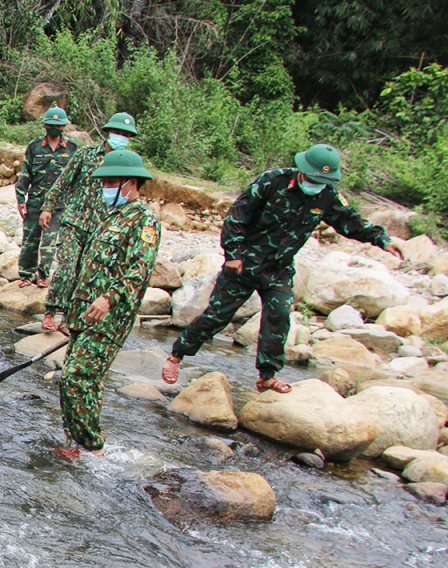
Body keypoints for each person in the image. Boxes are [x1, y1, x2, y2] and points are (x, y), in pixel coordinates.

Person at [162, 144, 403, 393]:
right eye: (313, 178)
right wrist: (233, 255)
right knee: (217, 317)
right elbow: (237, 217)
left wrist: (384, 240)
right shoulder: (272, 181)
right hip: (244, 264)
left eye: (322, 180)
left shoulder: (327, 195)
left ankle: (267, 376)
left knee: (279, 315)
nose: (316, 184)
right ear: (302, 170)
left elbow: (351, 222)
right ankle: (176, 355)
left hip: (279, 268)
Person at [58, 150, 161, 456]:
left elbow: (138, 270)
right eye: (104, 182)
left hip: (109, 318)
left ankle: (93, 448)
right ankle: (74, 445)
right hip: (84, 315)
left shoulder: (145, 221)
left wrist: (108, 298)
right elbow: (89, 270)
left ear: (131, 183)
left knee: (76, 378)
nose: (106, 188)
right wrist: (70, 314)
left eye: (112, 182)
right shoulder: (110, 218)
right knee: (78, 380)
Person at [38, 112, 139, 334]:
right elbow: (63, 181)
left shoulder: (128, 163)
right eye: (117, 132)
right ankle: (50, 313)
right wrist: (48, 207)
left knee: (87, 276)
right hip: (74, 223)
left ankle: (69, 318)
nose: (120, 137)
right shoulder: (87, 154)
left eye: (125, 134)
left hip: (102, 229)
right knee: (66, 268)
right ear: (108, 132)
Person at [14, 107, 77, 287]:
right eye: (50, 125)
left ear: (63, 126)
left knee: (50, 242)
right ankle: (26, 275)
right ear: (45, 126)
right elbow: (25, 174)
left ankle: (42, 276)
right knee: (30, 241)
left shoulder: (72, 149)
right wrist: (20, 199)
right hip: (35, 202)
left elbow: (74, 179)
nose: (53, 128)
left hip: (59, 205)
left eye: (57, 125)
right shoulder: (34, 147)